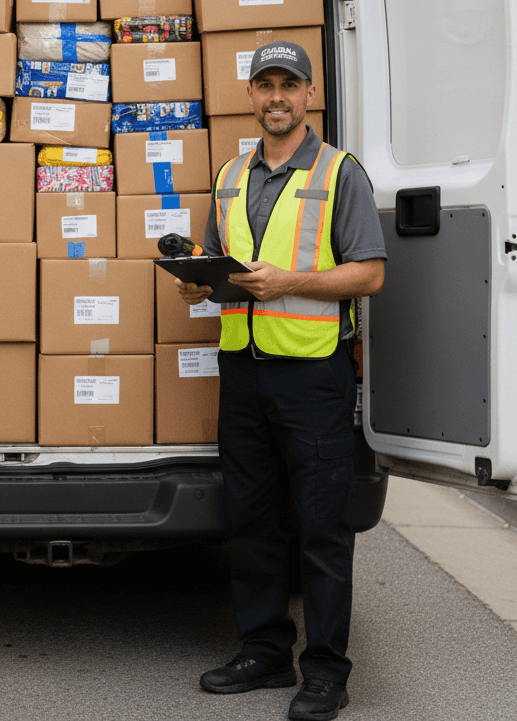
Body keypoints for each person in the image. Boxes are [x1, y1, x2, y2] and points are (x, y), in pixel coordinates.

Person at [175, 40, 386, 721]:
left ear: (308, 95)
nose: (276, 97)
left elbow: (370, 273)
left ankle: (325, 672)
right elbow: (220, 264)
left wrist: (290, 281)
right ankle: (264, 652)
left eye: (288, 85)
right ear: (250, 95)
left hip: (313, 375)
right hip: (243, 371)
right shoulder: (230, 176)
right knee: (251, 521)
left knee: (321, 529)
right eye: (264, 85)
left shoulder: (339, 173)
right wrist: (196, 283)